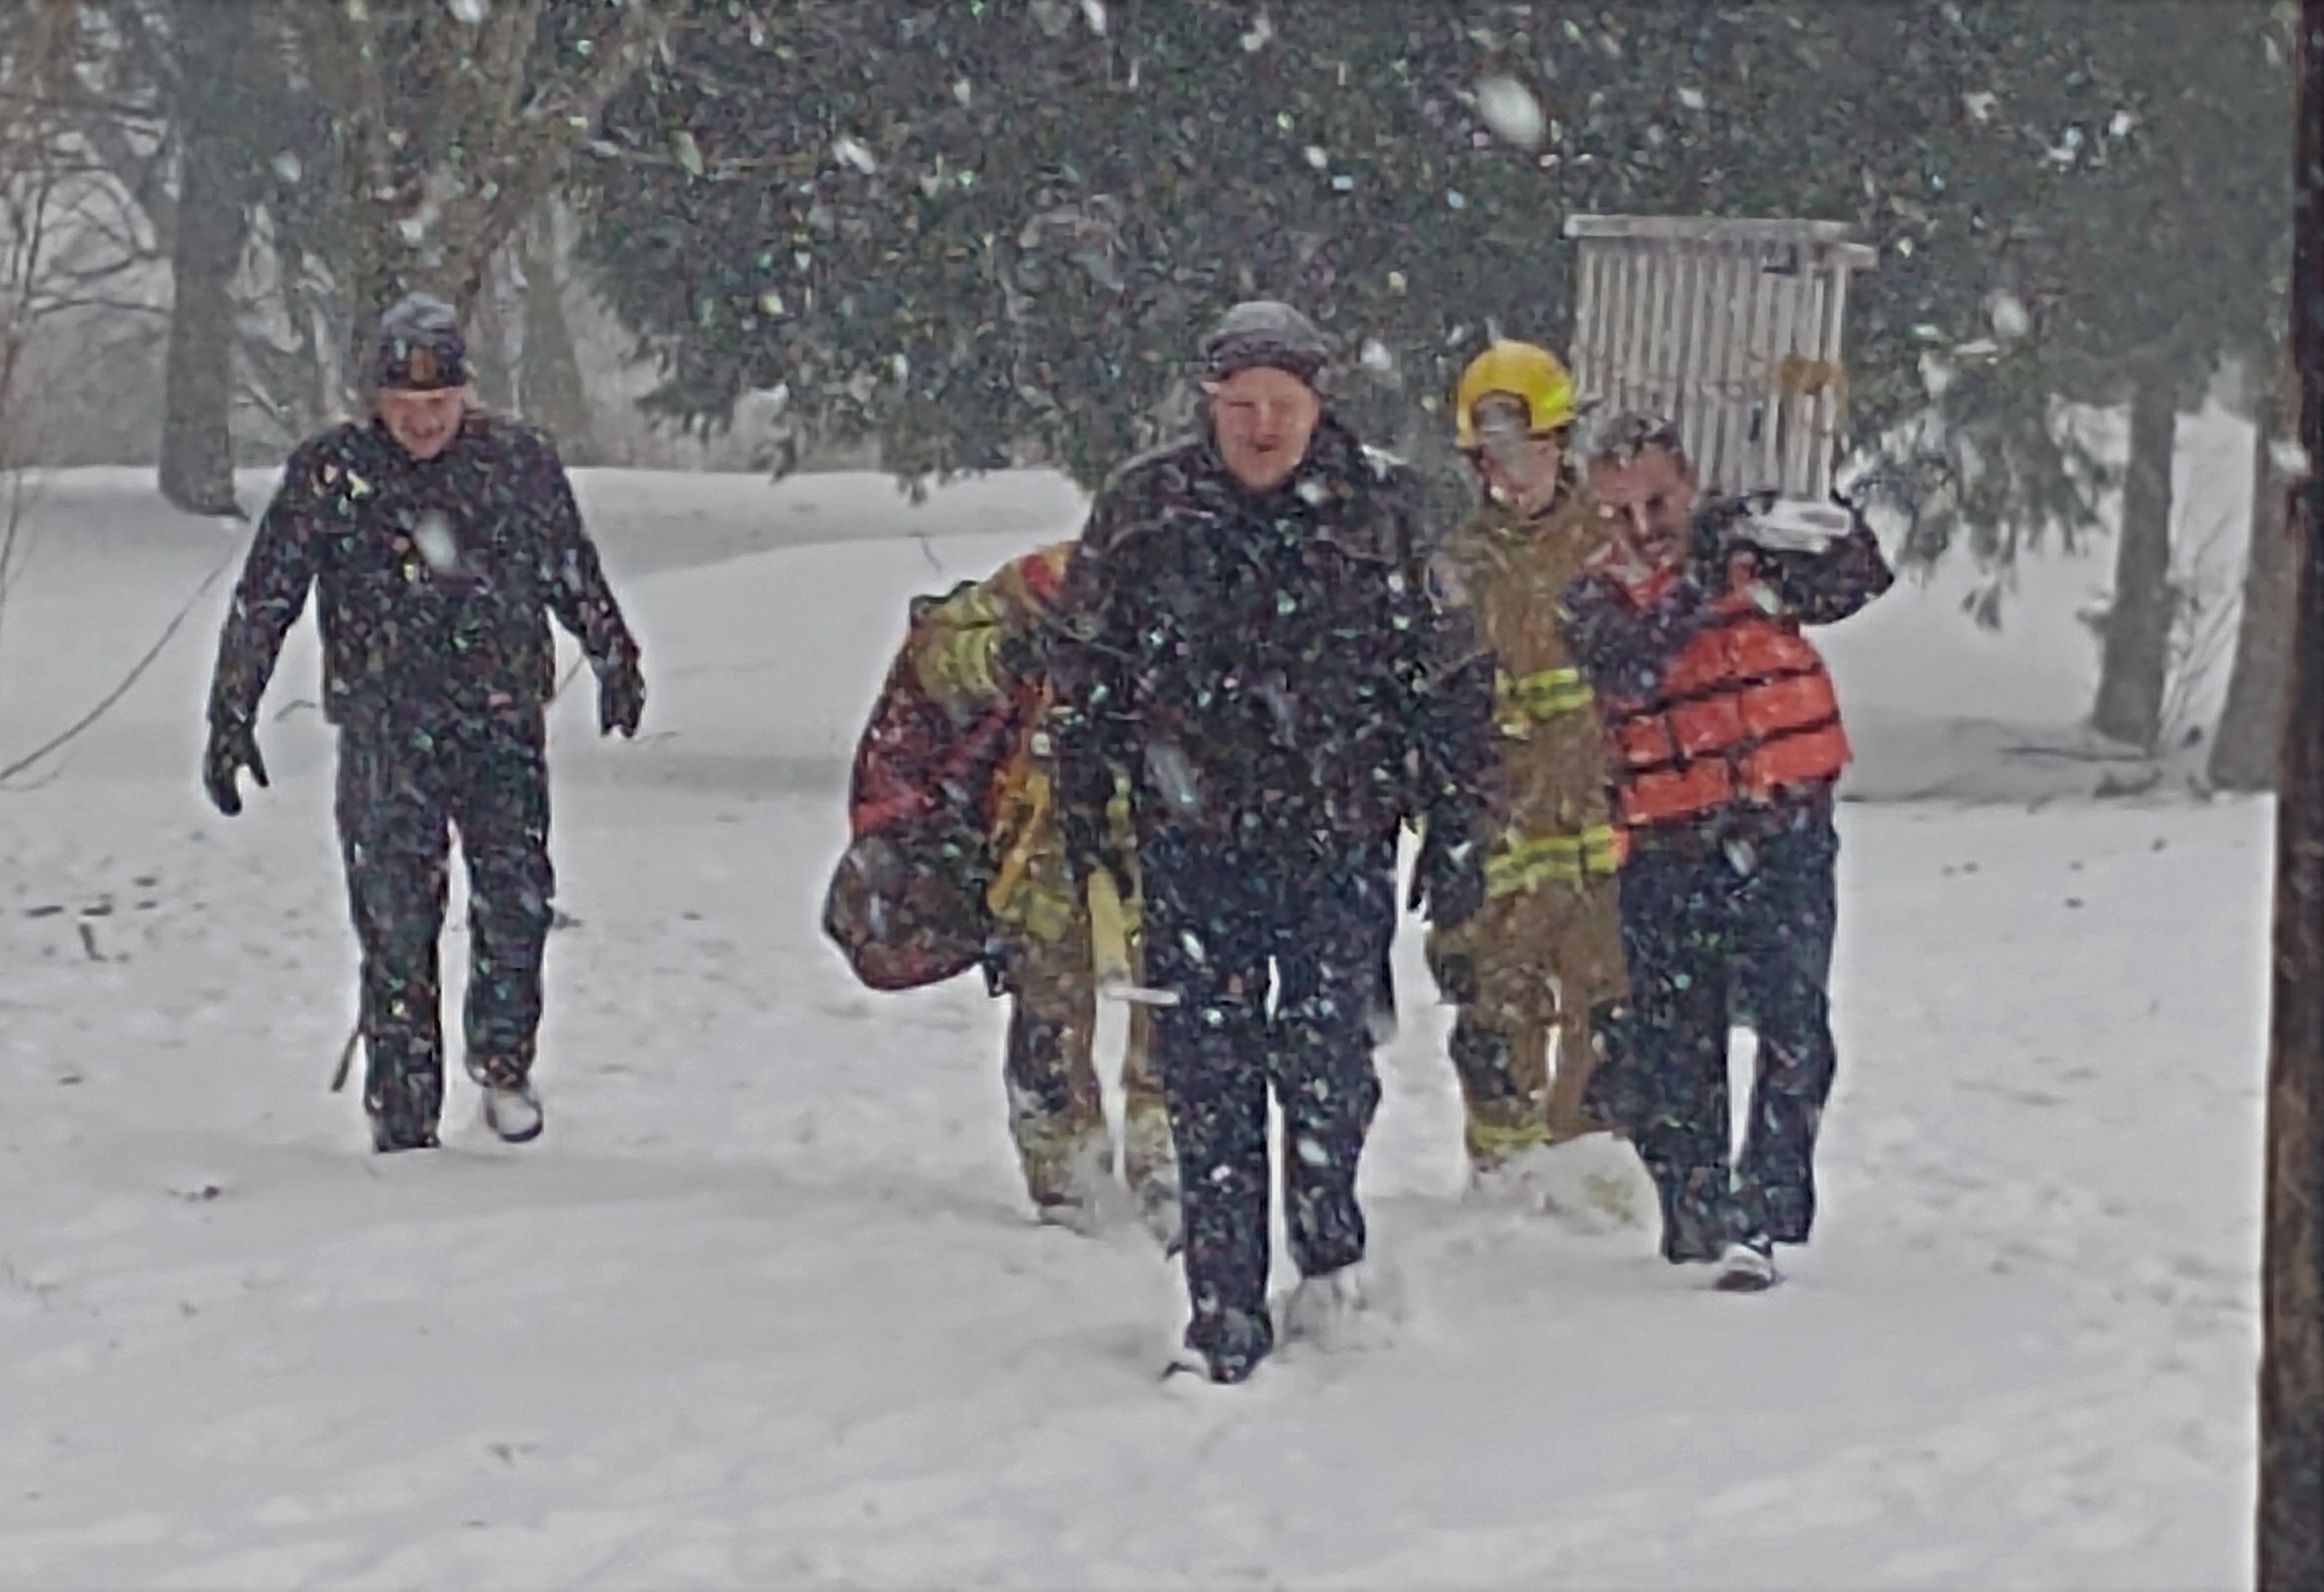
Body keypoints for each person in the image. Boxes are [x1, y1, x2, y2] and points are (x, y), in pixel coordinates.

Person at [1045, 301, 1496, 1385]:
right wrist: (1084, 805)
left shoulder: (1384, 510)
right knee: (1206, 1073)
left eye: (1280, 406)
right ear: (1206, 403)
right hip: (1191, 835)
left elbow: (1451, 681)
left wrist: (1456, 820)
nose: (1259, 426)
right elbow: (1083, 672)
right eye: (1239, 405)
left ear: (1317, 403)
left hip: (1338, 834)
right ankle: (1222, 1301)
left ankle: (1328, 1241)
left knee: (1326, 1057)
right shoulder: (1144, 509)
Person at [201, 293, 645, 1155]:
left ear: (467, 394)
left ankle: (503, 1063)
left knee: (516, 905)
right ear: (375, 402)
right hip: (385, 733)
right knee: (398, 924)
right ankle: (403, 1118)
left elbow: (568, 565)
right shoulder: (332, 474)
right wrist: (233, 709)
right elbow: (267, 597)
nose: (422, 422)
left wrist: (613, 653)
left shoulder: (517, 465)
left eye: (439, 405)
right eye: (404, 408)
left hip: (499, 723)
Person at [1561, 411, 1892, 1291]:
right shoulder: (1592, 598)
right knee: (1676, 1039)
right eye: (1618, 511)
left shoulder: (1751, 554)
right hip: (1669, 839)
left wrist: (1813, 524)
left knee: (1794, 1022)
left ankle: (1769, 1210)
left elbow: (1860, 579)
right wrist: (1689, 581)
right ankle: (1695, 1208)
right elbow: (1631, 666)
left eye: (1660, 501)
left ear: (1691, 480)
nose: (1643, 527)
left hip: (1782, 823)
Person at [900, 543, 1180, 1242]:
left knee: (1179, 1001)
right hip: (1049, 829)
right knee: (1048, 1005)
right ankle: (1065, 1176)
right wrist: (1009, 656)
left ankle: (1172, 1163)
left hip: (1175, 825)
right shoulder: (1048, 581)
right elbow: (936, 657)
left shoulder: (1219, 581)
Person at [1426, 342, 1629, 1179]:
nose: (1506, 474)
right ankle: (1502, 1186)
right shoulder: (1453, 566)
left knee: (1614, 1018)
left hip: (1613, 833)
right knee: (1493, 1018)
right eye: (1487, 457)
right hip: (1501, 836)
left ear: (1559, 444)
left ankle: (1591, 1183)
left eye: (1521, 449)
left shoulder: (1615, 547)